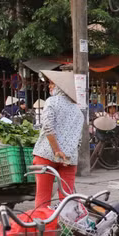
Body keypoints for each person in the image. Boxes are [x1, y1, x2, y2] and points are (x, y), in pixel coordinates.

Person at [31, 70, 84, 209]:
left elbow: (48, 128)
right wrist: (67, 153)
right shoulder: (78, 110)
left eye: (52, 84)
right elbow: (79, 139)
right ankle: (68, 229)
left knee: (43, 197)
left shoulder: (52, 102)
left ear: (60, 87)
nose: (49, 86)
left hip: (47, 154)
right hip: (69, 158)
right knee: (67, 199)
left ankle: (43, 228)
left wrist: (57, 151)